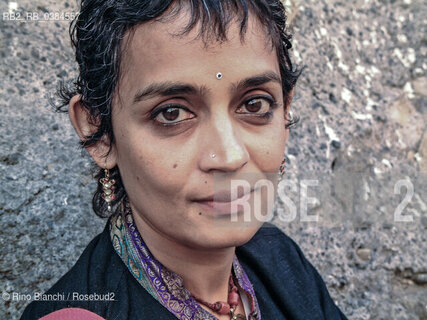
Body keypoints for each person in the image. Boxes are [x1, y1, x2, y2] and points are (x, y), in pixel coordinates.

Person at [21, 0, 347, 319]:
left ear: (285, 111)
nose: (230, 157)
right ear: (100, 132)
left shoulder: (279, 259)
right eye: (172, 112)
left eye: (255, 105)